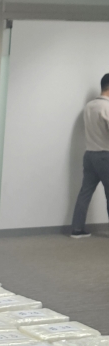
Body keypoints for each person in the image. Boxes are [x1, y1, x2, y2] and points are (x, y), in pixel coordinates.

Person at [71, 74, 109, 238]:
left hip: (90, 155)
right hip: (106, 156)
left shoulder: (89, 106)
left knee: (85, 192)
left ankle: (77, 229)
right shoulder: (107, 107)